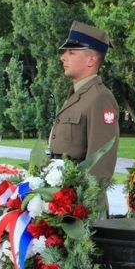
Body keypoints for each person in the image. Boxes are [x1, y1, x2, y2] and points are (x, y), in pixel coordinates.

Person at [49, 21, 120, 194]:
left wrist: (82, 206)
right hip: (64, 202)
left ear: (91, 60)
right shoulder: (77, 95)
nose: (63, 57)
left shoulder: (100, 98)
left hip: (80, 209)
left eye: (71, 52)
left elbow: (100, 164)